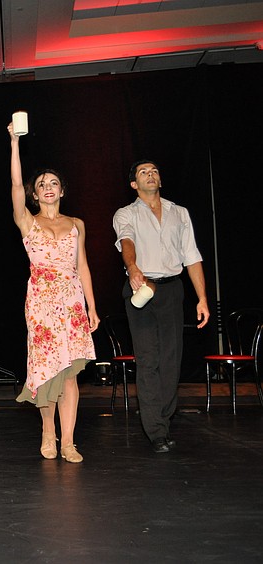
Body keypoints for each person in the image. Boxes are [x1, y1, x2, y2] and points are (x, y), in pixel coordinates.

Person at [8, 123, 99, 463]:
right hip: (42, 300)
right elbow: (16, 185)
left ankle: (69, 442)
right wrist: (15, 143)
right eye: (42, 185)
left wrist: (92, 307)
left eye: (54, 183)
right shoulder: (28, 222)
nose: (48, 188)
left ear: (63, 190)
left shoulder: (77, 224)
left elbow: (84, 267)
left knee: (71, 372)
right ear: (35, 193)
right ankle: (48, 432)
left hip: (72, 299)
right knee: (48, 370)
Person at [112, 160, 209, 453]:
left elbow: (192, 256)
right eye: (143, 172)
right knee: (148, 358)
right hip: (141, 287)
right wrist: (132, 268)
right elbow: (126, 240)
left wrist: (202, 297)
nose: (150, 175)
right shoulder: (125, 213)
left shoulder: (179, 213)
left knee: (171, 359)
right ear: (134, 184)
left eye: (154, 171)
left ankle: (162, 419)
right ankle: (155, 430)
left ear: (160, 179)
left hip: (172, 289)